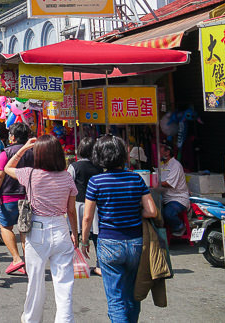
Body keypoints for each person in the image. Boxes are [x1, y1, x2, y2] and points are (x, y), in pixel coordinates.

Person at [82, 135, 158, 323]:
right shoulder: (136, 179)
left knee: (116, 298)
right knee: (134, 293)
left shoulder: (96, 182)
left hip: (108, 243)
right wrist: (135, 213)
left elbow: (87, 217)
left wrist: (84, 241)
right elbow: (152, 211)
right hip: (136, 242)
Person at [4, 136, 79, 323]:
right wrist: (74, 234)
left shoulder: (30, 174)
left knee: (35, 283)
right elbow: (71, 210)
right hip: (61, 228)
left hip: (37, 230)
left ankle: (31, 319)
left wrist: (24, 149)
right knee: (64, 285)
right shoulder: (67, 177)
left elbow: (7, 168)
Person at [0, 122, 33, 276]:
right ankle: (28, 262)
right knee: (24, 229)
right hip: (28, 197)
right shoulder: (34, 151)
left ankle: (16, 259)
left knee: (5, 227)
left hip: (8, 196)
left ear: (13, 137)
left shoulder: (6, 152)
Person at [68, 138, 103, 277]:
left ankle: (74, 262)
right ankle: (100, 264)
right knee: (96, 235)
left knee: (73, 234)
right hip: (95, 206)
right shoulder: (99, 167)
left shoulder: (74, 166)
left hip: (77, 205)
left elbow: (69, 185)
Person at [158, 141, 190, 236]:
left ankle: (180, 226)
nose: (158, 151)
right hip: (166, 198)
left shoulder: (175, 165)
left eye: (161, 149)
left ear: (167, 152)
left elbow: (168, 183)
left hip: (177, 198)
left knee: (168, 213)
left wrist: (154, 183)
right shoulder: (162, 165)